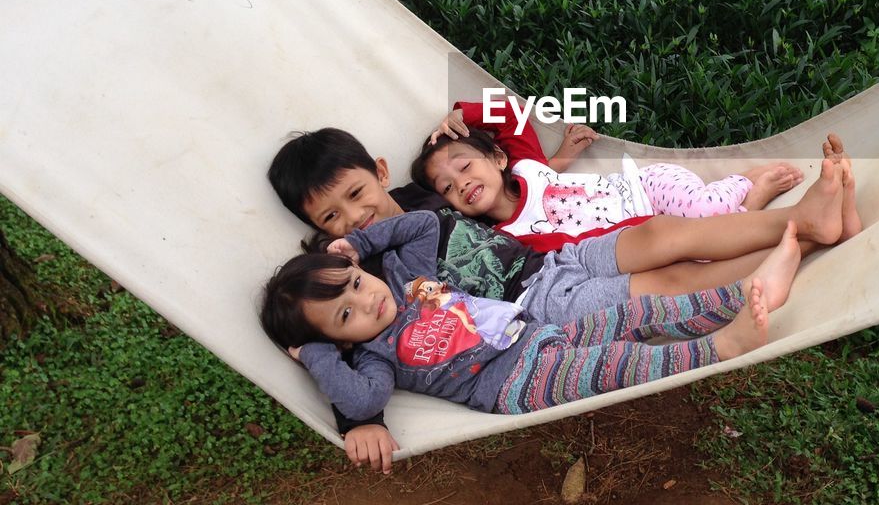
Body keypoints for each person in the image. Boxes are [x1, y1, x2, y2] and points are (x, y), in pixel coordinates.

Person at [268, 127, 859, 468]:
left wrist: (461, 118)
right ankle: (803, 241)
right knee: (668, 283)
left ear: (379, 169)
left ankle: (805, 216)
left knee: (661, 235)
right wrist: (355, 418)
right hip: (540, 310)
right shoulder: (354, 273)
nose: (356, 215)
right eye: (332, 216)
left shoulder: (424, 193)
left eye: (355, 192)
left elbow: (493, 161)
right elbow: (339, 333)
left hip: (553, 259)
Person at [260, 210, 805, 425]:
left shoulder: (410, 286)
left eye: (356, 283)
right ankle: (723, 346)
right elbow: (361, 401)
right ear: (339, 342)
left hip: (539, 332)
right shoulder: (374, 357)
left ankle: (747, 291)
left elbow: (425, 224)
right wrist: (317, 353)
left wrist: (356, 243)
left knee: (642, 313)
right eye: (346, 315)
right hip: (517, 382)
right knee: (623, 359)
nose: (367, 300)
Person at [413, 100, 804, 253]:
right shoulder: (508, 240)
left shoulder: (526, 167)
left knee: (706, 214)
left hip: (647, 188)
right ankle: (744, 206)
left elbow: (511, 114)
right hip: (645, 232)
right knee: (701, 256)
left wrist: (459, 117)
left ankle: (748, 183)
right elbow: (580, 244)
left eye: (464, 167)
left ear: (497, 157)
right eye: (447, 186)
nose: (461, 183)